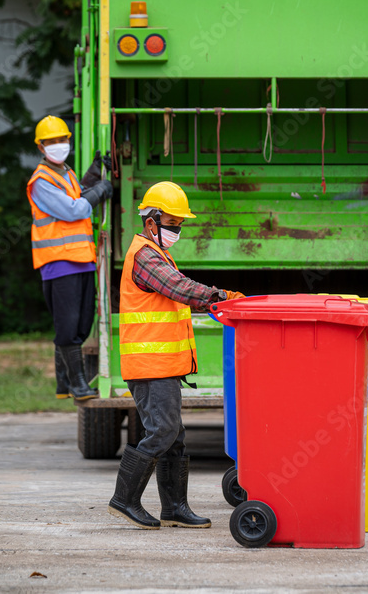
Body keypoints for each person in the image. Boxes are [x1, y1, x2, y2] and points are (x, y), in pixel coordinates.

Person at [108, 181, 244, 530]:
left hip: (162, 364)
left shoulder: (158, 253)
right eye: (172, 222)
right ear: (151, 221)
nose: (177, 229)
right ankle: (124, 499)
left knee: (174, 436)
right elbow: (179, 288)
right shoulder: (145, 256)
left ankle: (175, 508)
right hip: (149, 365)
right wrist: (220, 296)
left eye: (180, 224)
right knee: (164, 430)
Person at [26, 115, 113, 402]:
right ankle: (76, 385)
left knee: (81, 325)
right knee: (68, 325)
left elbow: (76, 195)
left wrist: (93, 175)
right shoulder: (41, 181)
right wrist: (100, 190)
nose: (58, 145)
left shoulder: (66, 173)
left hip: (82, 260)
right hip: (59, 263)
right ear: (41, 147)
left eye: (61, 140)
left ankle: (64, 383)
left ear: (68, 141)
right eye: (51, 142)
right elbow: (74, 210)